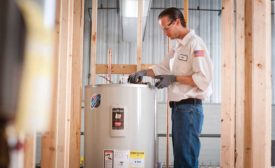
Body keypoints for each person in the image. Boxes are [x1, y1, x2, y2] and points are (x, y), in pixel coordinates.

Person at [128, 7, 213, 168]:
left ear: (177, 22)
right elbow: (162, 68)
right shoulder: (177, 48)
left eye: (166, 28)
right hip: (179, 110)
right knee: (181, 158)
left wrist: (174, 78)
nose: (165, 32)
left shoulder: (195, 44)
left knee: (185, 159)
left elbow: (204, 79)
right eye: (162, 29)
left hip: (189, 108)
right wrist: (144, 72)